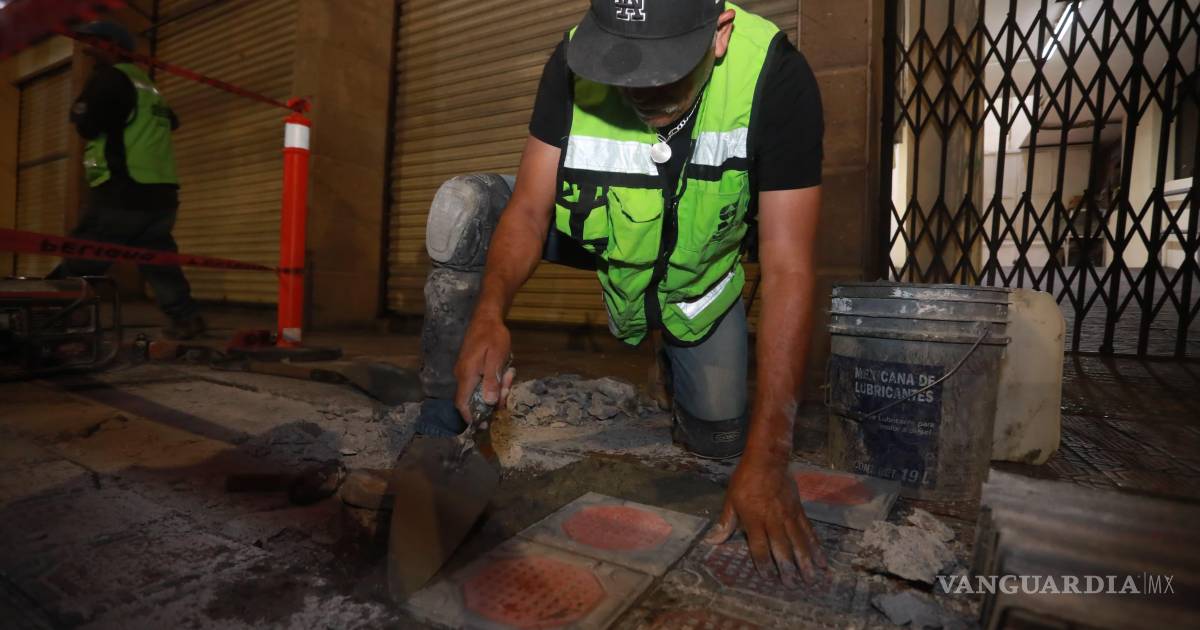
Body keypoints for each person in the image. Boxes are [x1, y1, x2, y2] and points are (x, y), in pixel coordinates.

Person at [416, 0, 825, 584]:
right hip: (606, 230)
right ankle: (439, 431)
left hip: (695, 277)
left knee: (721, 442)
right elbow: (529, 210)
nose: (643, 89)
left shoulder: (774, 75)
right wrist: (489, 312)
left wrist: (771, 455)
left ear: (719, 34)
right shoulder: (571, 58)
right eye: (624, 63)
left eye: (666, 69)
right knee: (468, 206)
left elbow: (788, 268)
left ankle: (674, 356)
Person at [48, 21, 204, 340]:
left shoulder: (110, 78)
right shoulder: (146, 84)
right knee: (159, 261)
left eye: (94, 43)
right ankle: (186, 319)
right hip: (161, 193)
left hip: (124, 189)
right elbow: (171, 122)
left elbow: (87, 124)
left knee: (84, 255)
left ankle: (50, 314)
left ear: (112, 46)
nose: (88, 50)